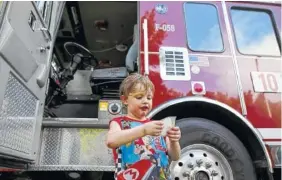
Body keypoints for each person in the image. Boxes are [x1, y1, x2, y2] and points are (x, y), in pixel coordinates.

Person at [106, 73, 181, 180]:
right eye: (139, 97)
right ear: (125, 100)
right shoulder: (118, 123)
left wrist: (174, 141)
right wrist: (143, 130)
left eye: (149, 98)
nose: (145, 101)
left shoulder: (157, 126)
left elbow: (175, 156)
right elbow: (111, 141)